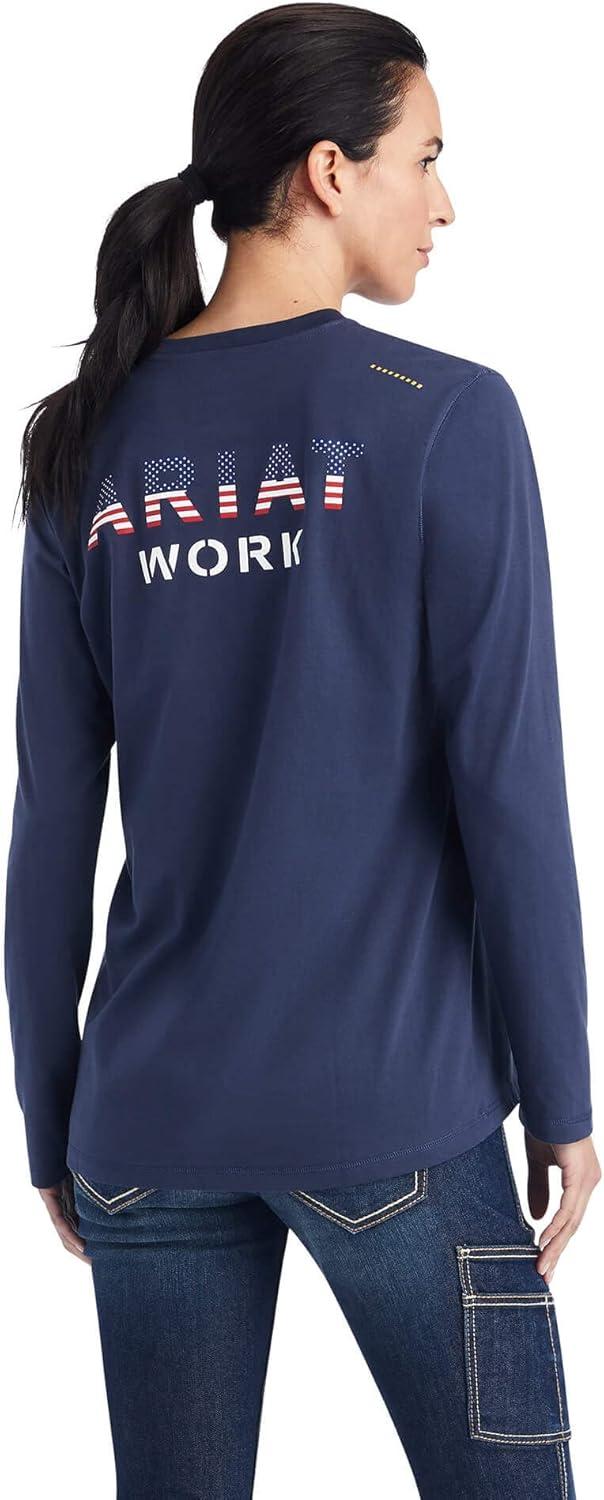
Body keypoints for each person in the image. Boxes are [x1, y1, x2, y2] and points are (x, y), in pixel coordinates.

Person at [4, 5, 600, 1496]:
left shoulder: (88, 441)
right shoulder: (446, 419)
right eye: (428, 157)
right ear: (332, 172)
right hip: (393, 1108)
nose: (446, 203)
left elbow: (51, 814)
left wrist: (52, 1113)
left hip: (147, 1119)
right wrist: (565, 1097)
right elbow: (509, 786)